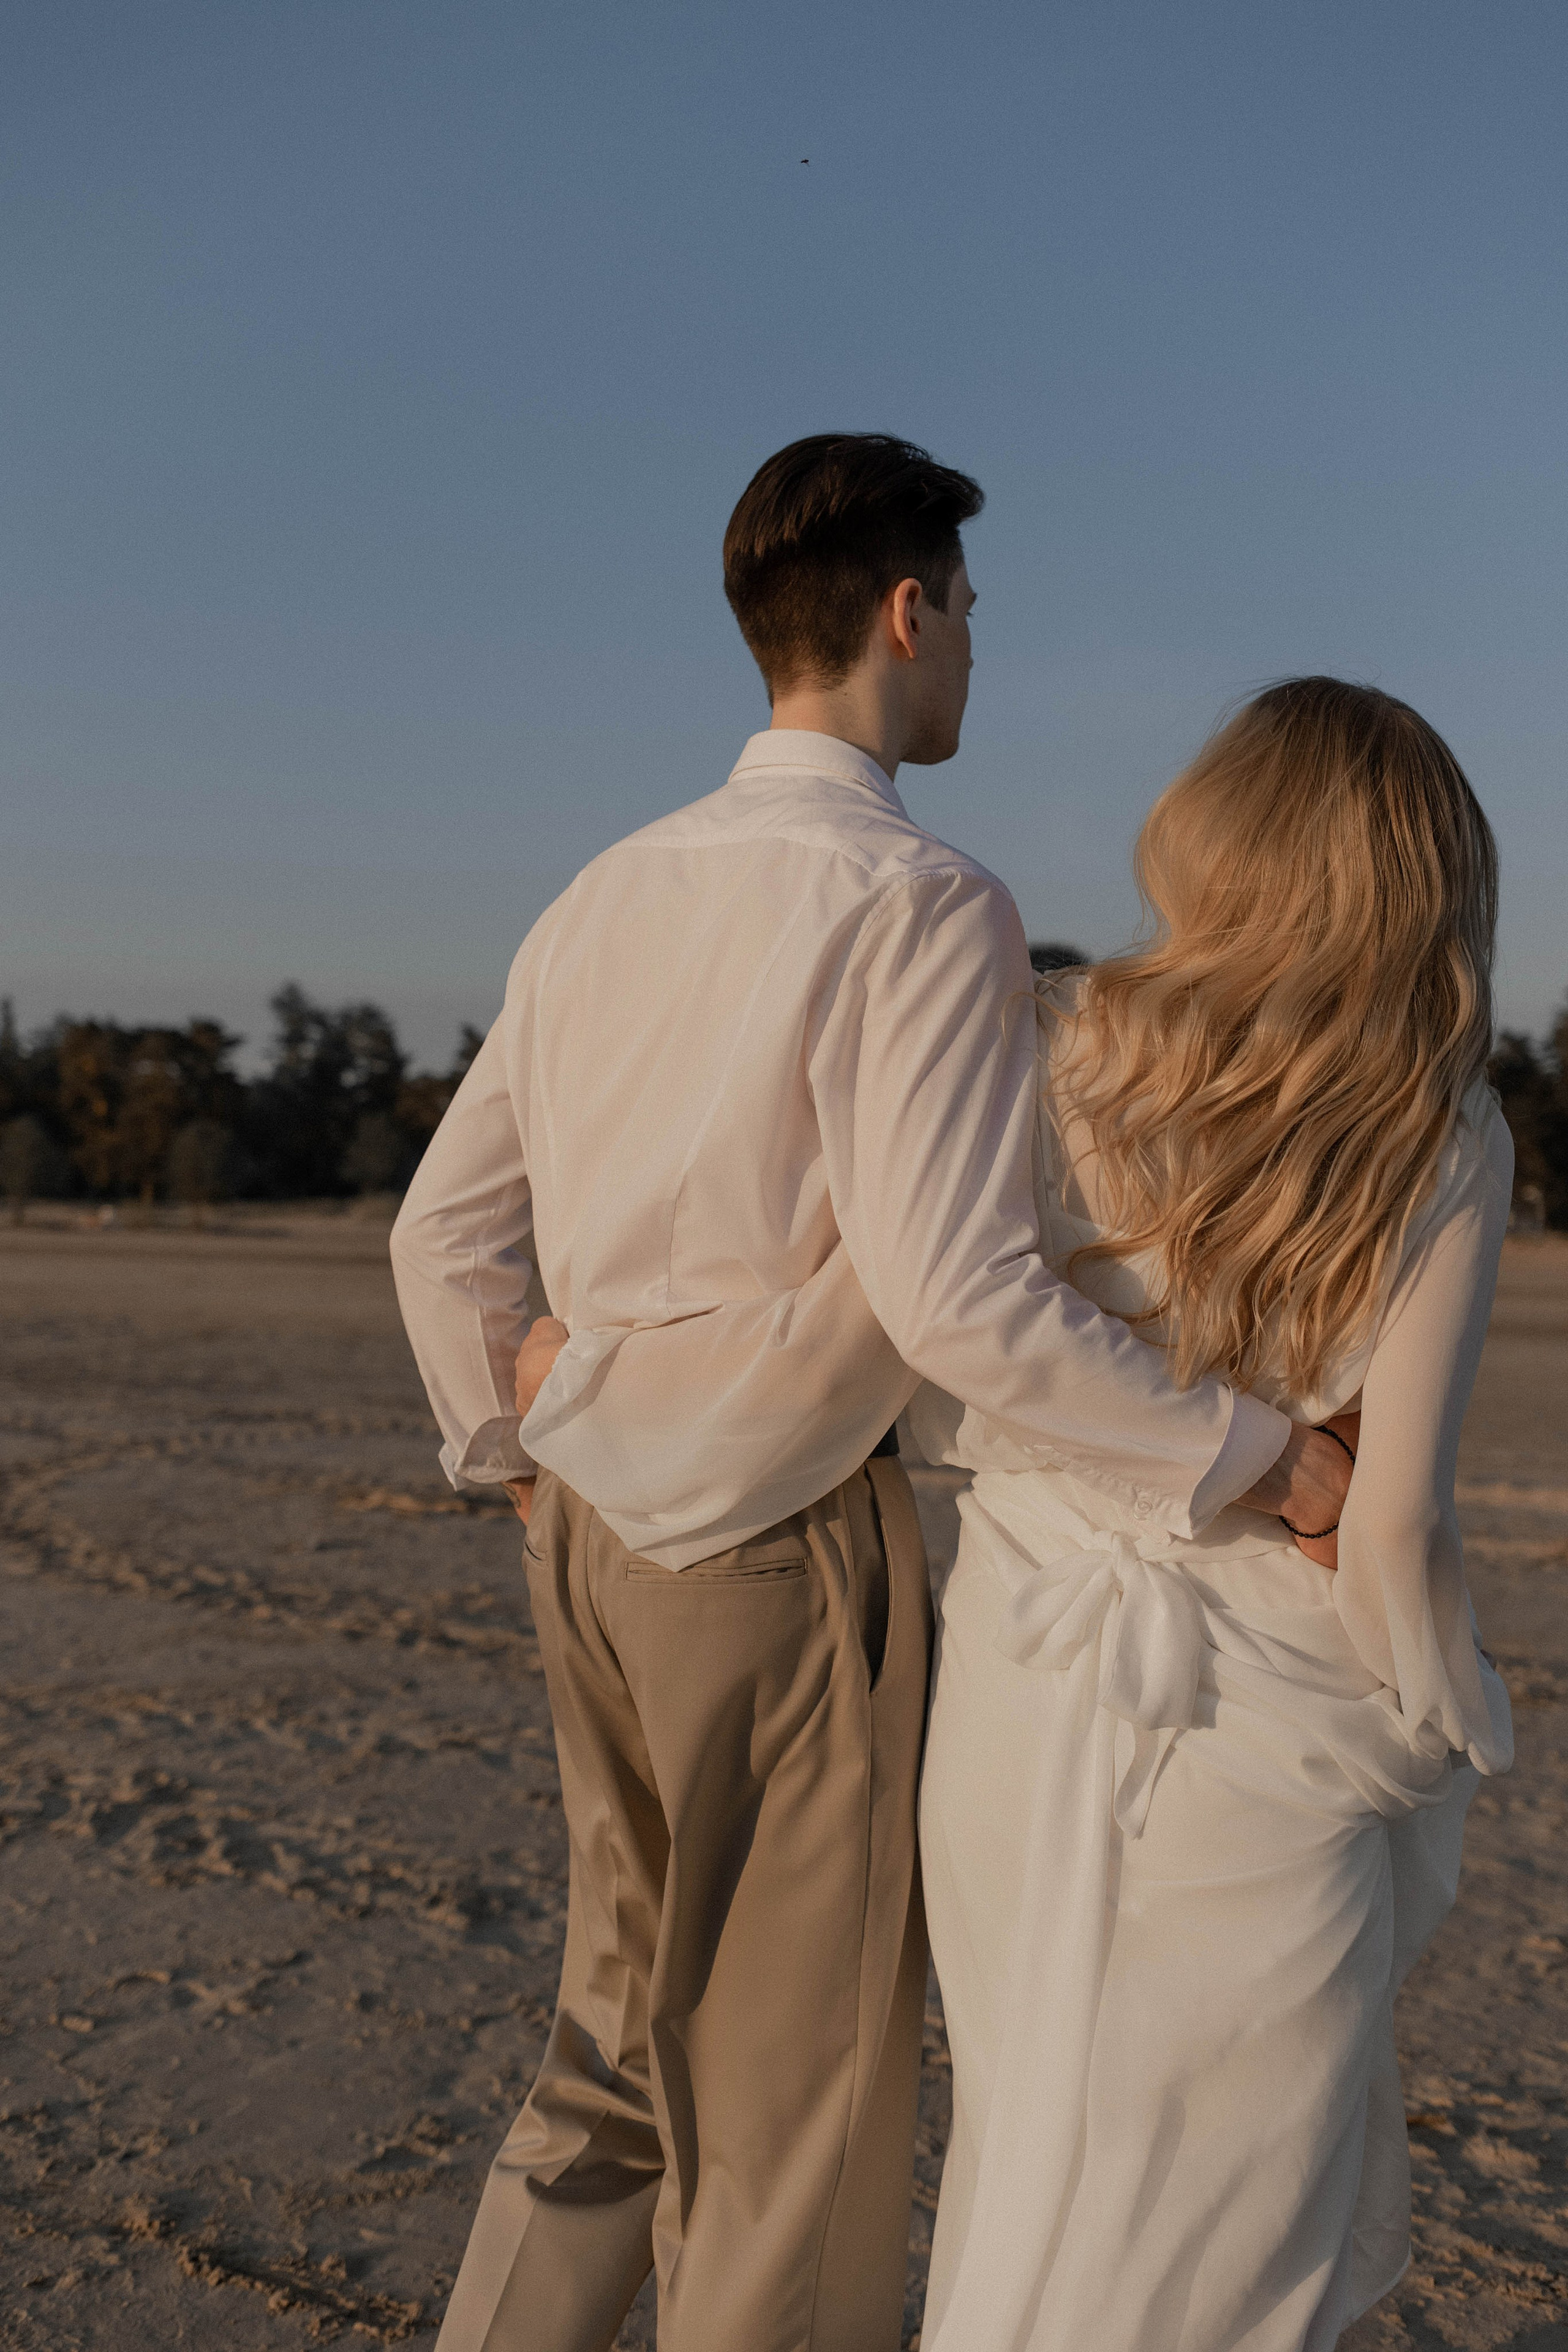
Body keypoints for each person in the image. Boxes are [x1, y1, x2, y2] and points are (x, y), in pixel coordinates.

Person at [389, 435, 1351, 2352]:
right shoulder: (921, 900)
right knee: (792, 2125)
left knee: (606, 2051)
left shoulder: (604, 890)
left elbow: (439, 1239)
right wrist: (1262, 1460)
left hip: (580, 1544)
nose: (977, 653)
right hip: (772, 1562)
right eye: (973, 614)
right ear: (907, 615)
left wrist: (514, 1451)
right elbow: (966, 1299)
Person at [914, 678, 1515, 2352]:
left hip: (1022, 1687)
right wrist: (1448, 1708)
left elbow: (967, 1330)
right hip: (1271, 1723)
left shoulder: (1047, 1040)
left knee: (1032, 2140)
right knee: (1230, 2223)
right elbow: (1393, 1522)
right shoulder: (1447, 1128)